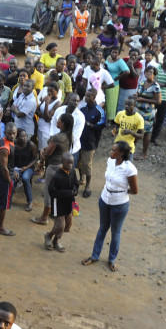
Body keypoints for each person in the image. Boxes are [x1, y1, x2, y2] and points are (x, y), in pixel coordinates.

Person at [82, 141, 138, 272]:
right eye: (111, 149)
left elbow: (134, 190)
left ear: (122, 153)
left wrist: (120, 192)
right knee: (102, 228)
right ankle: (95, 255)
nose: (110, 152)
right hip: (104, 199)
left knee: (115, 232)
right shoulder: (110, 161)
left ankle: (112, 259)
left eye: (114, 150)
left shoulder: (129, 168)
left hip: (119, 204)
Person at [31, 113, 74, 225]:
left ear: (62, 124)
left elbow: (47, 153)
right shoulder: (69, 136)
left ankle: (44, 218)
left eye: (59, 119)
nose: (57, 120)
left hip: (54, 167)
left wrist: (42, 152)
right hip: (63, 167)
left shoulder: (57, 137)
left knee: (49, 192)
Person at [44, 152, 78, 252]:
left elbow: (75, 183)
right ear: (62, 162)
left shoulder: (72, 172)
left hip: (68, 202)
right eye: (68, 163)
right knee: (60, 225)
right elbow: (53, 192)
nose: (70, 165)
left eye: (72, 163)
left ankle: (56, 240)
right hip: (58, 203)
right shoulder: (57, 176)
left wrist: (75, 190)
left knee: (68, 224)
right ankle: (49, 236)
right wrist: (68, 193)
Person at [0, 124, 18, 236]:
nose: (12, 135)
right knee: (3, 202)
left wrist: (13, 171)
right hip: (4, 176)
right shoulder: (5, 148)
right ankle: (0, 227)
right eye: (9, 133)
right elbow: (4, 168)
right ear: (5, 133)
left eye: (14, 133)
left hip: (2, 174)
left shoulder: (7, 142)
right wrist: (10, 181)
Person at [133, 66, 161, 160]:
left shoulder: (156, 86)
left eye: (151, 72)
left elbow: (158, 101)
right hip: (138, 110)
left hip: (148, 112)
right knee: (135, 130)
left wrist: (143, 99)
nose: (148, 74)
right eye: (147, 72)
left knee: (146, 133)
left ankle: (144, 153)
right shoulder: (141, 82)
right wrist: (137, 95)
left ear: (154, 74)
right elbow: (139, 93)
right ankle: (132, 149)